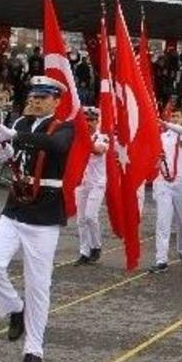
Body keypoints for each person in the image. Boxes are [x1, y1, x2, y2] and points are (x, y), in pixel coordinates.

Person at [0, 76, 74, 362]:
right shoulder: (19, 122)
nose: (35, 101)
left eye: (43, 97)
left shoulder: (64, 127)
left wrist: (14, 138)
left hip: (43, 215)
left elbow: (55, 146)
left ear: (56, 101)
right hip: (15, 208)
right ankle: (15, 309)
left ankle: (34, 349)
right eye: (33, 96)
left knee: (37, 284)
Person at [151, 108, 182, 272]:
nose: (174, 119)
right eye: (173, 116)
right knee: (163, 221)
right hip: (164, 182)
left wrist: (164, 123)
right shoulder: (162, 137)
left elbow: (181, 130)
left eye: (178, 116)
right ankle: (161, 260)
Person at [74, 107, 110, 265]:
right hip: (81, 182)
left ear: (97, 121)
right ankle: (84, 251)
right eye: (86, 120)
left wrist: (82, 139)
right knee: (81, 219)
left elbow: (98, 150)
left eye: (92, 120)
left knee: (90, 216)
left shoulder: (103, 137)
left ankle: (96, 246)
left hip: (97, 183)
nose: (89, 123)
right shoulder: (78, 137)